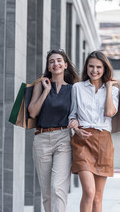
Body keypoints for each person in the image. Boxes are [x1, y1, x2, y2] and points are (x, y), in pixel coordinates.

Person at [68, 51, 120, 212]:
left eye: (99, 67)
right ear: (86, 67)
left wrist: (110, 87)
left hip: (103, 142)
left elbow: (109, 112)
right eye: (91, 66)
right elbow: (72, 115)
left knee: (98, 198)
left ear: (105, 69)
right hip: (82, 141)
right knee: (89, 192)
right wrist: (76, 128)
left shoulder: (114, 91)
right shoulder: (77, 87)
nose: (94, 70)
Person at [28, 49, 79, 212]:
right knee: (47, 192)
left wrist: (75, 120)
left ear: (65, 65)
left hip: (63, 138)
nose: (55, 63)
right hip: (41, 139)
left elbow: (76, 113)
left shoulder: (73, 89)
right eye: (51, 61)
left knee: (58, 188)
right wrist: (46, 91)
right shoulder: (40, 85)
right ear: (49, 67)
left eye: (58, 60)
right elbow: (33, 112)